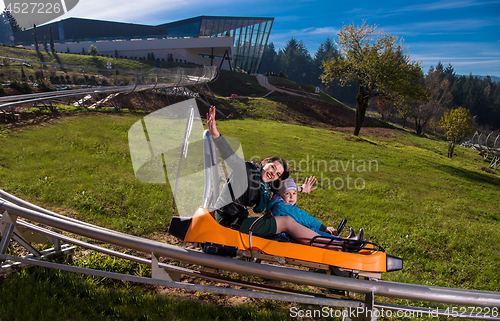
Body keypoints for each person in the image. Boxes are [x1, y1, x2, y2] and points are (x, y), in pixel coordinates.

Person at [207, 106, 355, 251]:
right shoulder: (246, 170)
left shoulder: (266, 184)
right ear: (264, 163)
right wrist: (215, 135)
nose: (274, 173)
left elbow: (285, 188)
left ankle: (334, 241)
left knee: (291, 219)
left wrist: (302, 188)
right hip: (228, 222)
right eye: (273, 167)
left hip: (239, 220)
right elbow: (230, 156)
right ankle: (337, 246)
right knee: (287, 222)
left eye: (278, 174)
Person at [267, 178, 364, 241]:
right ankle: (343, 242)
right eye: (287, 194)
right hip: (282, 238)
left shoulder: (278, 204)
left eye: (294, 193)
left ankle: (339, 239)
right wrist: (324, 227)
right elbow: (303, 217)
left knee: (309, 230)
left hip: (284, 235)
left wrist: (300, 188)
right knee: (313, 230)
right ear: (280, 195)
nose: (292, 196)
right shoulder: (282, 207)